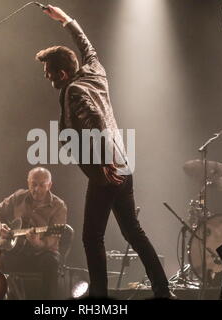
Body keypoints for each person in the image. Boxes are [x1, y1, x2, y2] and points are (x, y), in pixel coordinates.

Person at [35, 6, 172, 298]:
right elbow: (87, 45)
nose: (48, 80)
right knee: (133, 231)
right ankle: (162, 289)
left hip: (106, 170)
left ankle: (99, 297)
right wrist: (66, 20)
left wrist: (103, 163)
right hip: (123, 163)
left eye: (49, 74)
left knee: (91, 237)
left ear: (62, 73)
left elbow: (96, 121)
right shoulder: (95, 71)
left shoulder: (73, 91)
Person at [0, 167, 67, 299]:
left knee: (51, 263)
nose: (37, 189)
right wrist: (0, 226)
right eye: (33, 184)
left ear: (49, 185)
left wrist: (38, 243)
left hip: (43, 254)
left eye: (42, 185)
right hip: (17, 252)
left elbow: (53, 239)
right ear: (28, 182)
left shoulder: (59, 206)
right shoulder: (18, 197)